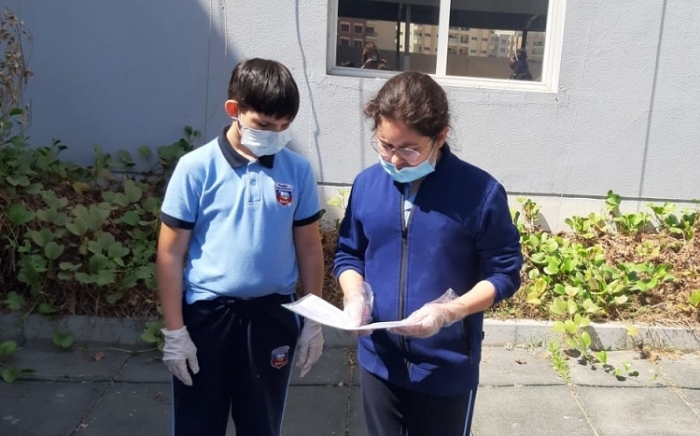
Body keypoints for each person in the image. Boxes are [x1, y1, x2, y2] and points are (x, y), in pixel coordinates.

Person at [334, 72, 523, 436]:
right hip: (379, 360)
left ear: (440, 137)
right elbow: (349, 254)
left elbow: (504, 274)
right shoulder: (367, 185)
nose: (395, 160)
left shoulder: (480, 193)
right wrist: (354, 294)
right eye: (385, 145)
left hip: (445, 368)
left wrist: (449, 312)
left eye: (409, 149)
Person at [157, 58, 325, 436]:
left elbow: (309, 248)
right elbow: (169, 253)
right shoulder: (196, 168)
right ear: (234, 109)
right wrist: (175, 331)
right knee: (198, 423)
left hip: (272, 315)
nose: (274, 135)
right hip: (207, 316)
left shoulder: (296, 171)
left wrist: (313, 319)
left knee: (261, 423)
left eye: (283, 126)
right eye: (264, 125)